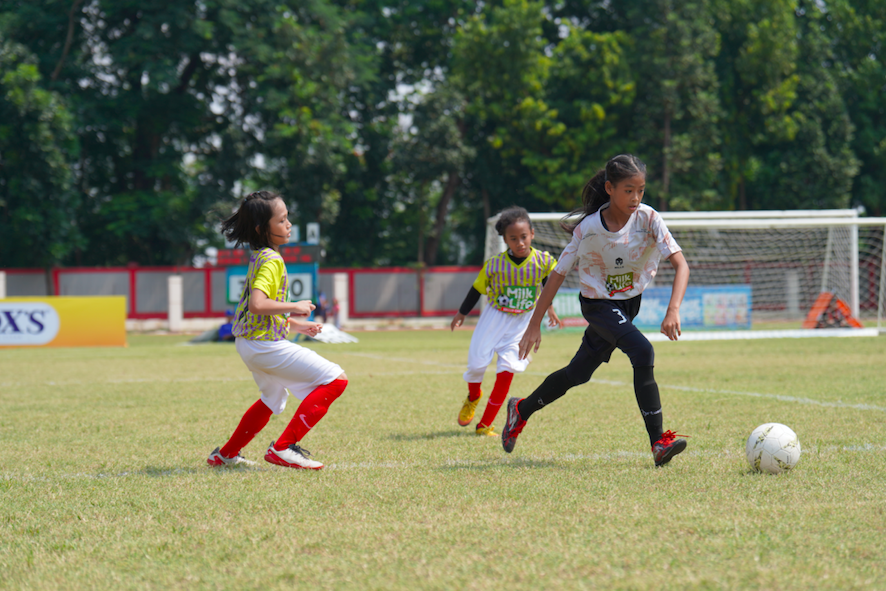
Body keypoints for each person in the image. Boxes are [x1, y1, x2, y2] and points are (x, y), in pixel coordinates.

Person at [501, 154, 690, 467]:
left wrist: (673, 310)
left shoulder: (649, 219)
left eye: (641, 190)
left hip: (629, 304)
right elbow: (557, 274)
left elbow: (681, 264)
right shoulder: (589, 229)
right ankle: (659, 442)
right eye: (628, 190)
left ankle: (521, 410)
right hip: (598, 304)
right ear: (609, 189)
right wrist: (534, 324)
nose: (636, 197)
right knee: (642, 351)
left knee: (578, 374)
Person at [207, 190, 348, 470]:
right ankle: (283, 448)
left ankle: (225, 455)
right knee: (336, 379)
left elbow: (254, 310)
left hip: (249, 343)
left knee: (273, 398)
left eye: (287, 218)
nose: (288, 224)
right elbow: (258, 304)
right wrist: (295, 306)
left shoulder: (259, 256)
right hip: (263, 346)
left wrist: (297, 324)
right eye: (281, 220)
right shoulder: (272, 260)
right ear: (262, 229)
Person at [451, 206, 563, 436]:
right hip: (494, 318)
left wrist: (549, 308)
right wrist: (462, 313)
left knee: (508, 369)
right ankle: (474, 396)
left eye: (524, 236)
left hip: (521, 323)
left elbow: (548, 282)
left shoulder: (543, 260)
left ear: (532, 234)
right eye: (513, 239)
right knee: (476, 365)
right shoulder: (494, 265)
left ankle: (484, 425)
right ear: (505, 240)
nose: (520, 243)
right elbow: (477, 289)